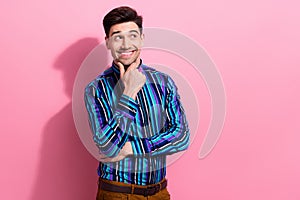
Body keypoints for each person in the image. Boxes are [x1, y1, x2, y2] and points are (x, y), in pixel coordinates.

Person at [84, 6, 190, 200]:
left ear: (142, 38)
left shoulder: (163, 82)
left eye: (132, 35)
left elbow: (181, 135)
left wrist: (132, 148)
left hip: (159, 193)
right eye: (117, 37)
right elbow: (108, 146)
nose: (126, 44)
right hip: (116, 193)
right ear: (108, 43)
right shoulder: (96, 89)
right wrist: (129, 93)